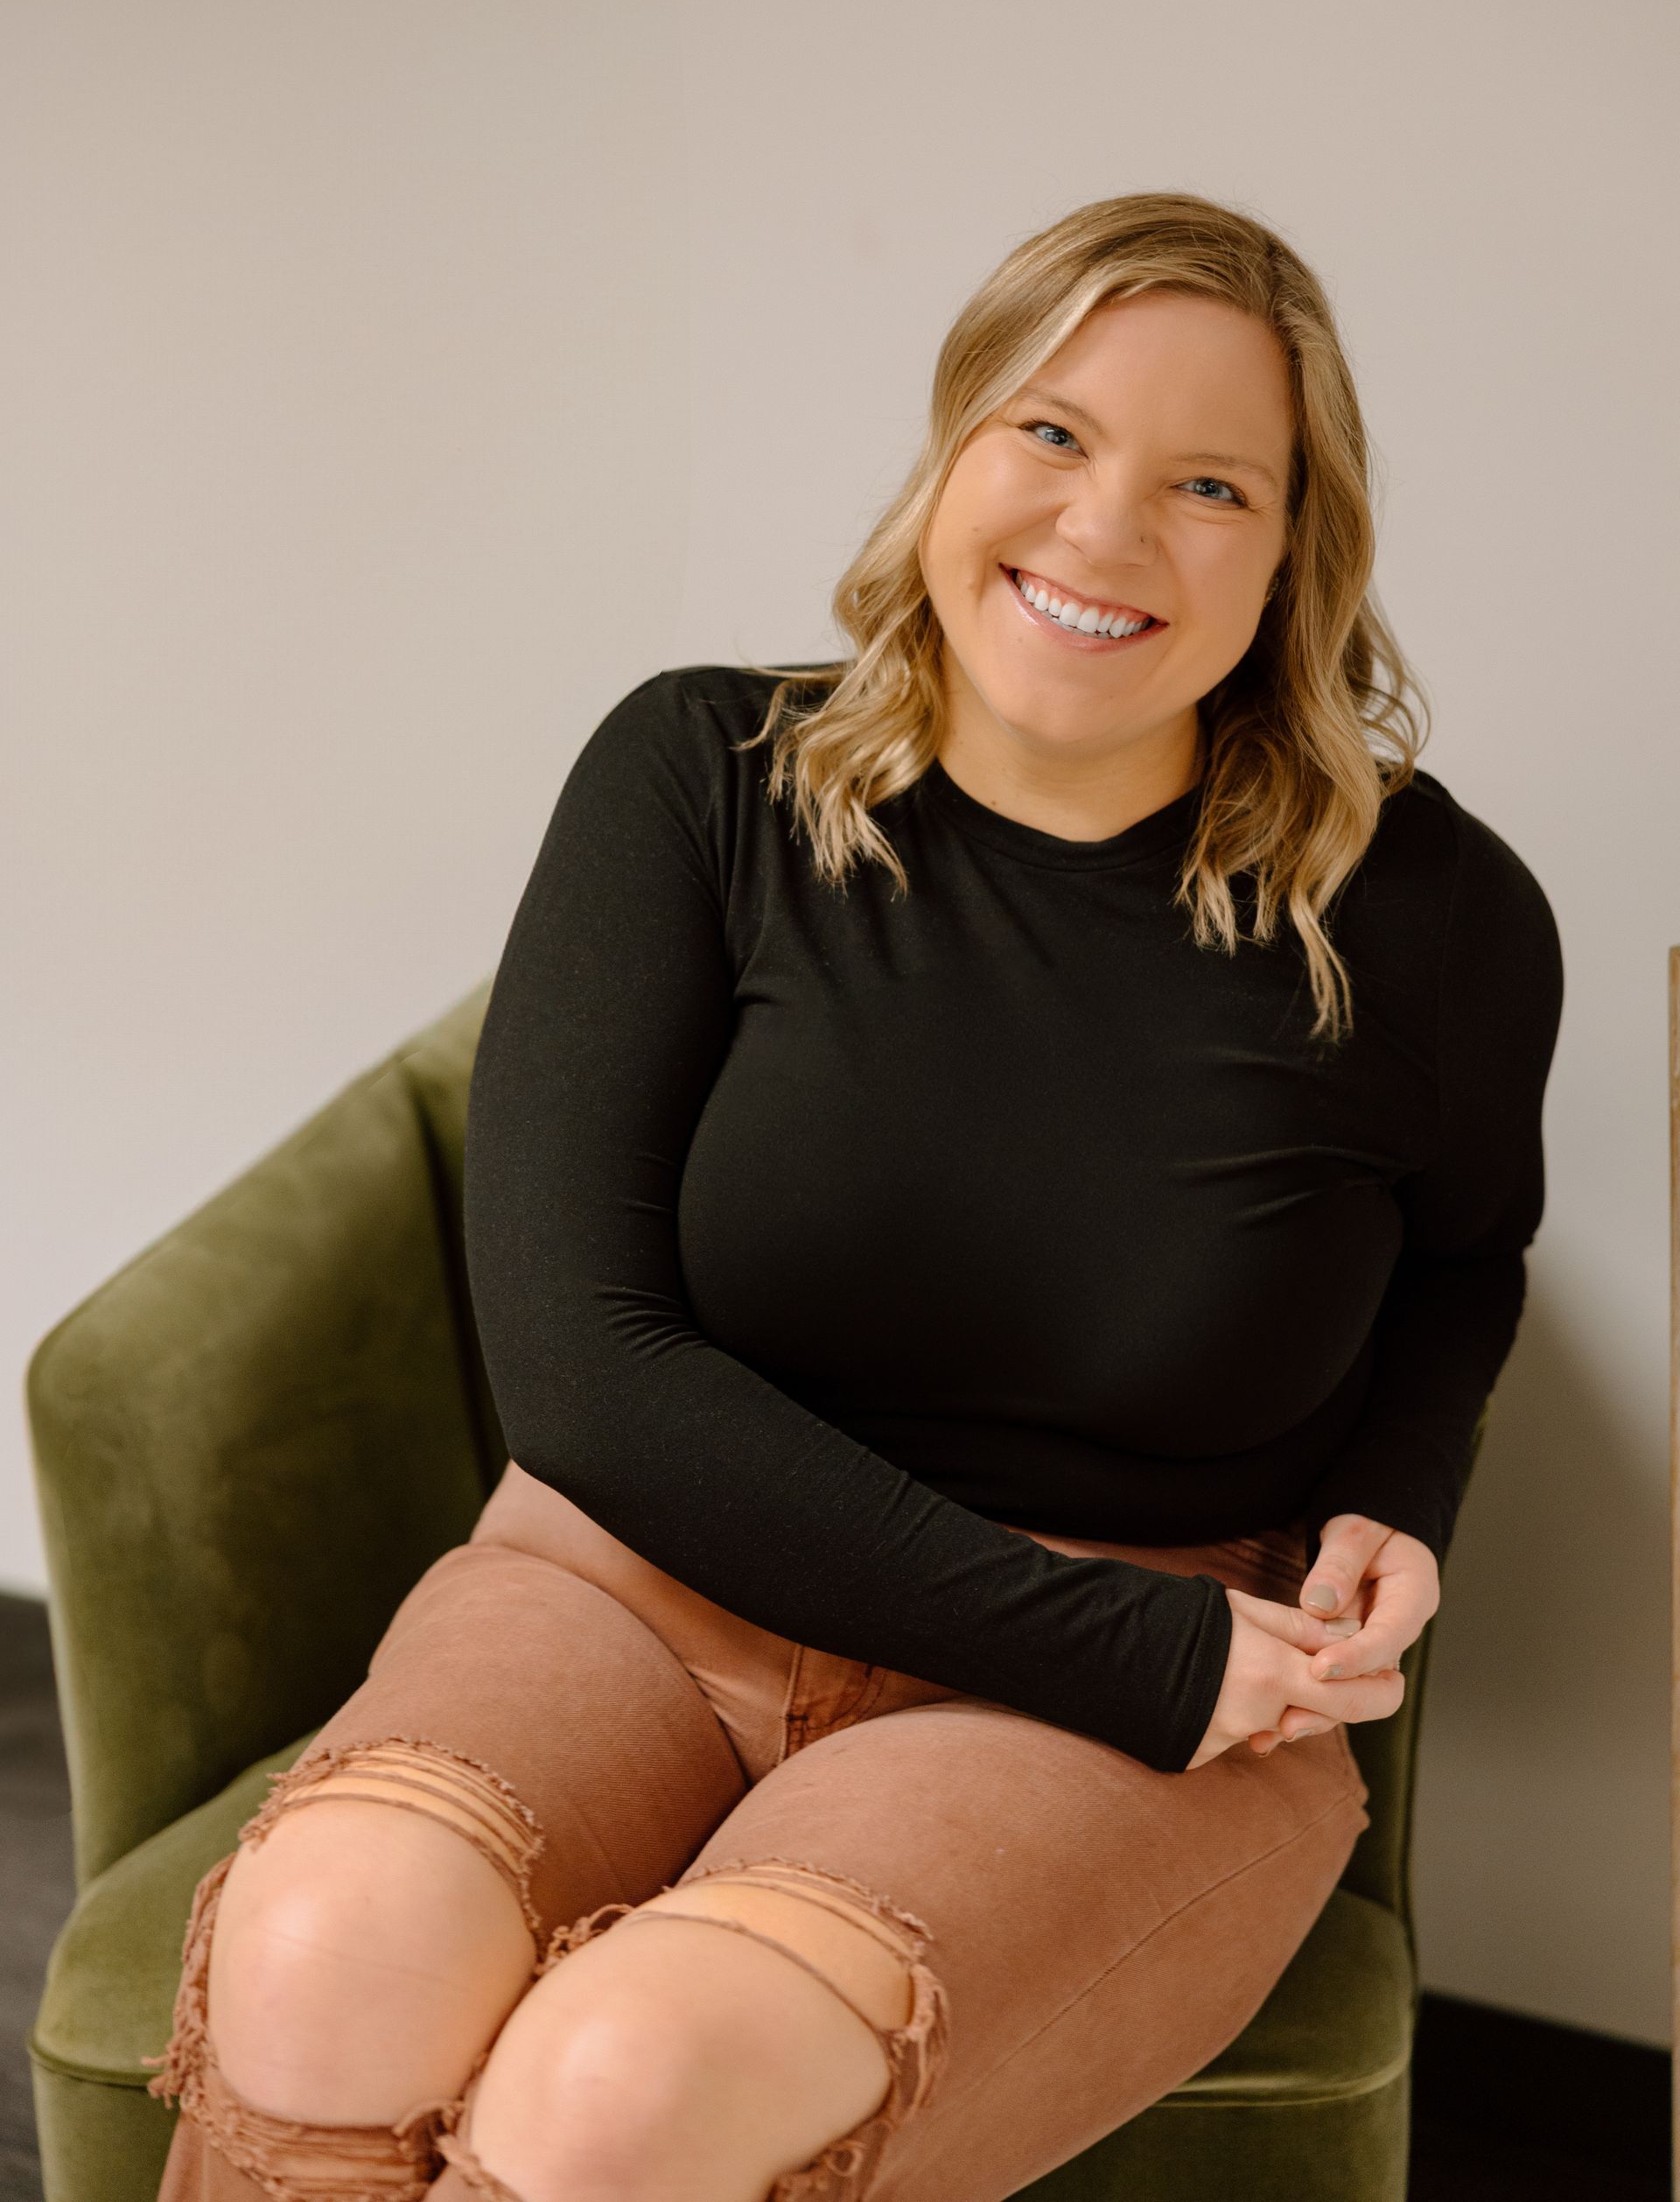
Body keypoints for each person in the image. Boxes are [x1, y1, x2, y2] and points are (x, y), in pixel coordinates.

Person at [145, 193, 1563, 2202]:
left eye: (1211, 482)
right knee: (323, 1947)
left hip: (1129, 1687)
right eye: (1053, 433)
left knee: (619, 2089)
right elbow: (586, 1377)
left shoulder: (1431, 913)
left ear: (1294, 553)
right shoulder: (702, 773)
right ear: (956, 445)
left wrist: (1396, 1506)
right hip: (635, 1584)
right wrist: (1119, 1649)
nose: (1103, 528)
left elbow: (1463, 1257)